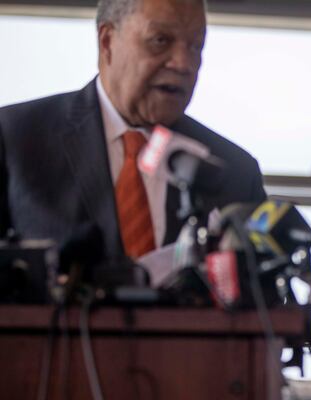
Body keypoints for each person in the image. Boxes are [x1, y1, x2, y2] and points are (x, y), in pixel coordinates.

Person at [0, 0, 266, 259]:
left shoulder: (237, 174)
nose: (183, 63)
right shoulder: (15, 137)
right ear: (107, 42)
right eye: (161, 40)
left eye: (196, 45)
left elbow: (267, 298)